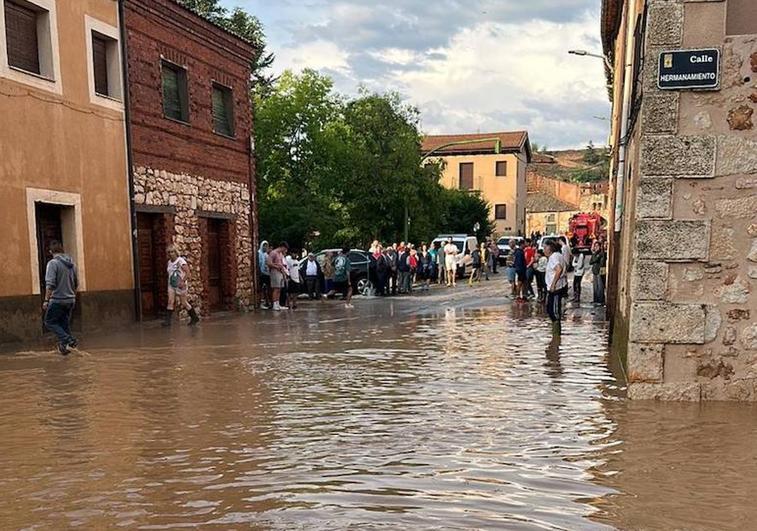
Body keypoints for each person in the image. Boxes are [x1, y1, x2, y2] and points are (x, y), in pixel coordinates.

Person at [42, 240, 79, 354]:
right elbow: (76, 283)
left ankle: (69, 340)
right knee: (64, 324)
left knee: (49, 322)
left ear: (50, 251)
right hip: (70, 300)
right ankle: (66, 350)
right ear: (62, 250)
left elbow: (50, 284)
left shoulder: (53, 263)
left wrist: (46, 300)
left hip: (58, 300)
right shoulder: (72, 264)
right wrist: (72, 296)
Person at [163, 244, 200, 327]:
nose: (171, 254)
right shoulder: (169, 262)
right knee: (170, 301)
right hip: (171, 284)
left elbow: (188, 273)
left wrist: (183, 281)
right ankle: (167, 321)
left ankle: (194, 317)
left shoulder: (181, 261)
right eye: (169, 252)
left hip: (180, 284)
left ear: (176, 252)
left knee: (184, 302)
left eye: (172, 252)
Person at [545, 240, 568, 335]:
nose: (544, 250)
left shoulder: (554, 257)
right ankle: (555, 336)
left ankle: (556, 337)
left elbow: (559, 269)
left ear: (550, 248)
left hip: (556, 288)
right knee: (550, 309)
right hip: (556, 287)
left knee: (554, 312)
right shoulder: (558, 255)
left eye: (545, 248)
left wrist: (553, 284)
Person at [267, 242, 289, 311]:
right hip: (275, 271)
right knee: (276, 288)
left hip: (280, 272)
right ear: (282, 247)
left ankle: (278, 303)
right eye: (285, 249)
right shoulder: (273, 253)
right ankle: (274, 304)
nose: (285, 250)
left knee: (279, 288)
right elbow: (269, 263)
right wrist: (276, 266)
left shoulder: (280, 254)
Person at [590, 240, 607, 305]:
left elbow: (596, 261)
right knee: (595, 286)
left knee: (600, 286)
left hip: (600, 271)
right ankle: (596, 299)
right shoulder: (596, 254)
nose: (596, 247)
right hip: (595, 271)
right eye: (595, 246)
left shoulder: (601, 254)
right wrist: (594, 254)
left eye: (597, 246)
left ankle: (600, 300)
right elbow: (591, 261)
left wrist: (595, 256)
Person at [258, 241, 271, 309]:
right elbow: (259, 264)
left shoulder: (266, 254)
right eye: (264, 246)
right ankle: (260, 302)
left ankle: (268, 302)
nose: (266, 247)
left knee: (268, 288)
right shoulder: (259, 253)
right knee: (260, 289)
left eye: (267, 246)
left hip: (266, 273)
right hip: (261, 273)